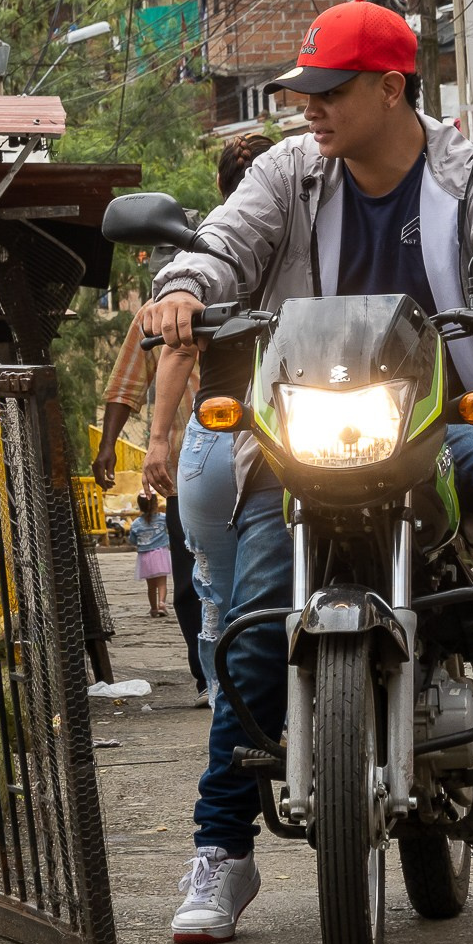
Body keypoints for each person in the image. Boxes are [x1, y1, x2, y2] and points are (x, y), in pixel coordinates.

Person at [139, 0, 473, 944]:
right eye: (305, 92)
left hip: (433, 422)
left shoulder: (461, 167)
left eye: (330, 91)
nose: (311, 108)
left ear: (390, 89)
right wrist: (183, 288)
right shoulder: (289, 171)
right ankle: (223, 850)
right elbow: (226, 242)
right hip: (305, 432)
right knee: (256, 627)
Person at [144, 133, 277, 709]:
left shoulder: (213, 251)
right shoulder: (306, 228)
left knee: (220, 599)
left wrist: (156, 443)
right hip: (287, 430)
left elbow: (177, 351)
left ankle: (233, 713)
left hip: (224, 432)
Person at [94, 284, 209, 699]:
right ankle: (206, 677)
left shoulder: (264, 296)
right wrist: (108, 445)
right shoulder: (154, 316)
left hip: (263, 464)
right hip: (187, 471)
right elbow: (126, 384)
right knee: (190, 583)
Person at [128, 492, 172, 616]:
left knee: (151, 586)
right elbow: (171, 528)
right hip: (161, 554)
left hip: (145, 556)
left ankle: (153, 608)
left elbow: (132, 540)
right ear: (156, 504)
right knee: (162, 583)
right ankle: (162, 604)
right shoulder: (163, 518)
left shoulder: (136, 523)